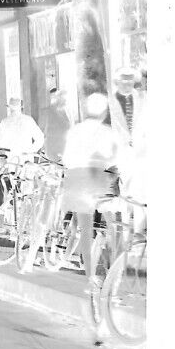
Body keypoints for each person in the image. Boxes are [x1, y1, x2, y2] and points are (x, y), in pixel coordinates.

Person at [60, 92, 123, 280]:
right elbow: (114, 158)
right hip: (97, 179)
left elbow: (67, 158)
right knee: (114, 223)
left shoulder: (75, 130)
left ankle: (90, 276)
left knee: (85, 230)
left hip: (77, 180)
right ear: (104, 113)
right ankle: (115, 270)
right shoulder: (107, 132)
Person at [0, 94, 46, 165]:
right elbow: (40, 138)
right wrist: (31, 150)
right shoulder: (28, 120)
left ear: (9, 108)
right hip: (27, 158)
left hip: (11, 158)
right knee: (27, 175)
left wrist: (7, 148)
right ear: (21, 107)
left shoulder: (5, 122)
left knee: (12, 174)